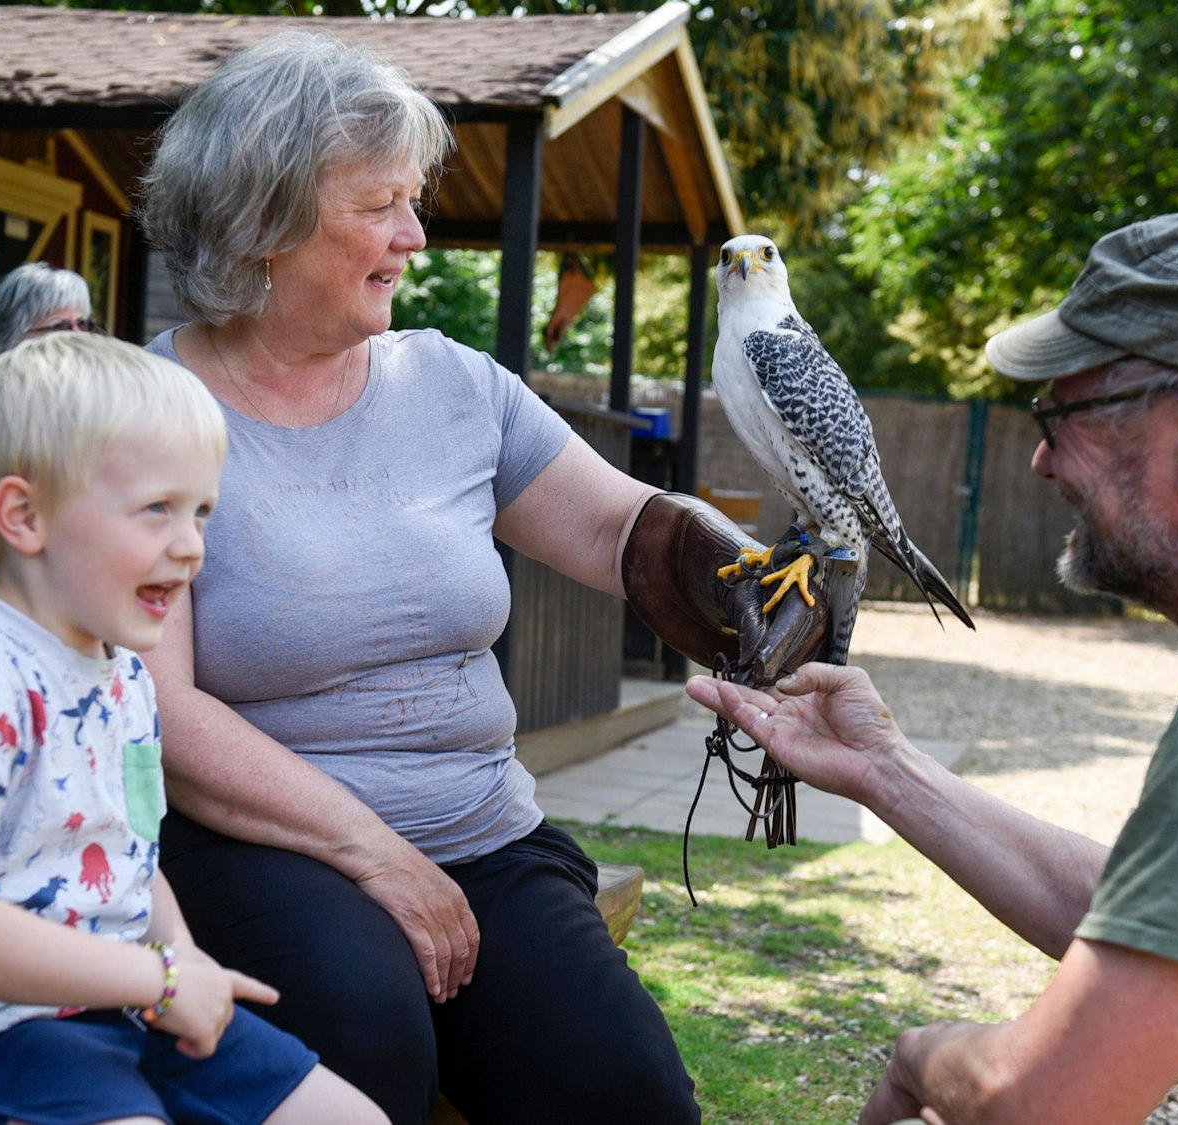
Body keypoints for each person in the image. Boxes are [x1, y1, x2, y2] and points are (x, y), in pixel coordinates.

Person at [131, 31, 832, 1125]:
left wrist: (735, 573)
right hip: (251, 847)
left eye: (413, 201)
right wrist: (379, 858)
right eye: (379, 205)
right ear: (262, 219)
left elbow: (622, 532)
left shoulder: (452, 384)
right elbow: (156, 710)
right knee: (366, 1043)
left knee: (629, 1095)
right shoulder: (139, 413)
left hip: (483, 835)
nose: (414, 235)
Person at [689, 208, 1178, 1123]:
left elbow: (1037, 1103)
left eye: (1061, 412)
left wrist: (922, 1058)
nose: (1038, 458)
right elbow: (1162, 915)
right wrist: (885, 769)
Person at [0, 332, 385, 1125]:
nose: (191, 545)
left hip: (122, 996)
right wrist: (156, 980)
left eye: (201, 512)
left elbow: (128, 852)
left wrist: (182, 957)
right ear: (24, 515)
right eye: (157, 508)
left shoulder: (122, 673)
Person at [0, 262, 97, 579]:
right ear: (13, 336)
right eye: (60, 327)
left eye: (83, 325)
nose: (78, 337)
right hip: (7, 585)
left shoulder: (87, 411)